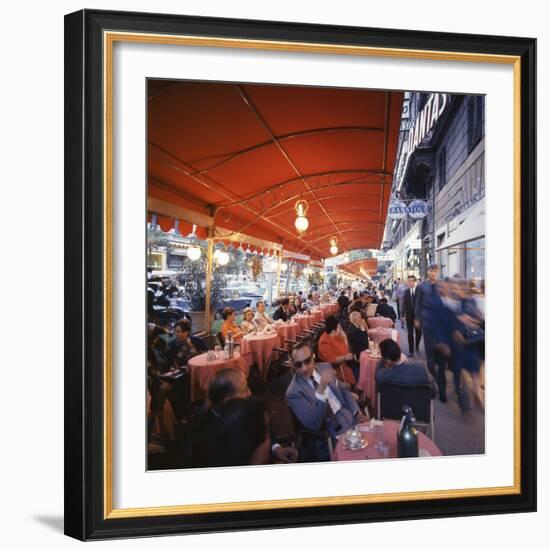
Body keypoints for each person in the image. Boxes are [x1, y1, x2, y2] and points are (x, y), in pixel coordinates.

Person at [193, 368, 297, 465]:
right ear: (228, 401)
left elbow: (266, 434)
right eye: (244, 390)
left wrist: (276, 449)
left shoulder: (248, 410)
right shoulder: (210, 439)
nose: (250, 392)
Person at [286, 343, 368, 461]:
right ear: (293, 364)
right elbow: (313, 424)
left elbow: (343, 392)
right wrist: (320, 389)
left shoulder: (325, 367)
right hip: (328, 434)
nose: (304, 368)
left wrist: (357, 412)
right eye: (298, 365)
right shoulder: (293, 392)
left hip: (351, 418)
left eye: (307, 361)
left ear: (313, 356)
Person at [317, 315, 358, 384]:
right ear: (334, 330)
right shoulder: (324, 342)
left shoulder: (337, 336)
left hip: (345, 364)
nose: (341, 328)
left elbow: (346, 349)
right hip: (336, 369)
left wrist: (345, 337)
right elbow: (331, 360)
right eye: (339, 327)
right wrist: (345, 357)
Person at [402, 275, 422, 357]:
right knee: (410, 334)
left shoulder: (419, 291)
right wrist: (402, 314)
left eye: (412, 281)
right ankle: (411, 350)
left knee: (418, 333)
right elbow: (403, 304)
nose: (410, 282)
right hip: (409, 316)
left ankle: (417, 345)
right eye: (409, 281)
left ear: (415, 281)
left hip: (418, 317)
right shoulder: (406, 292)